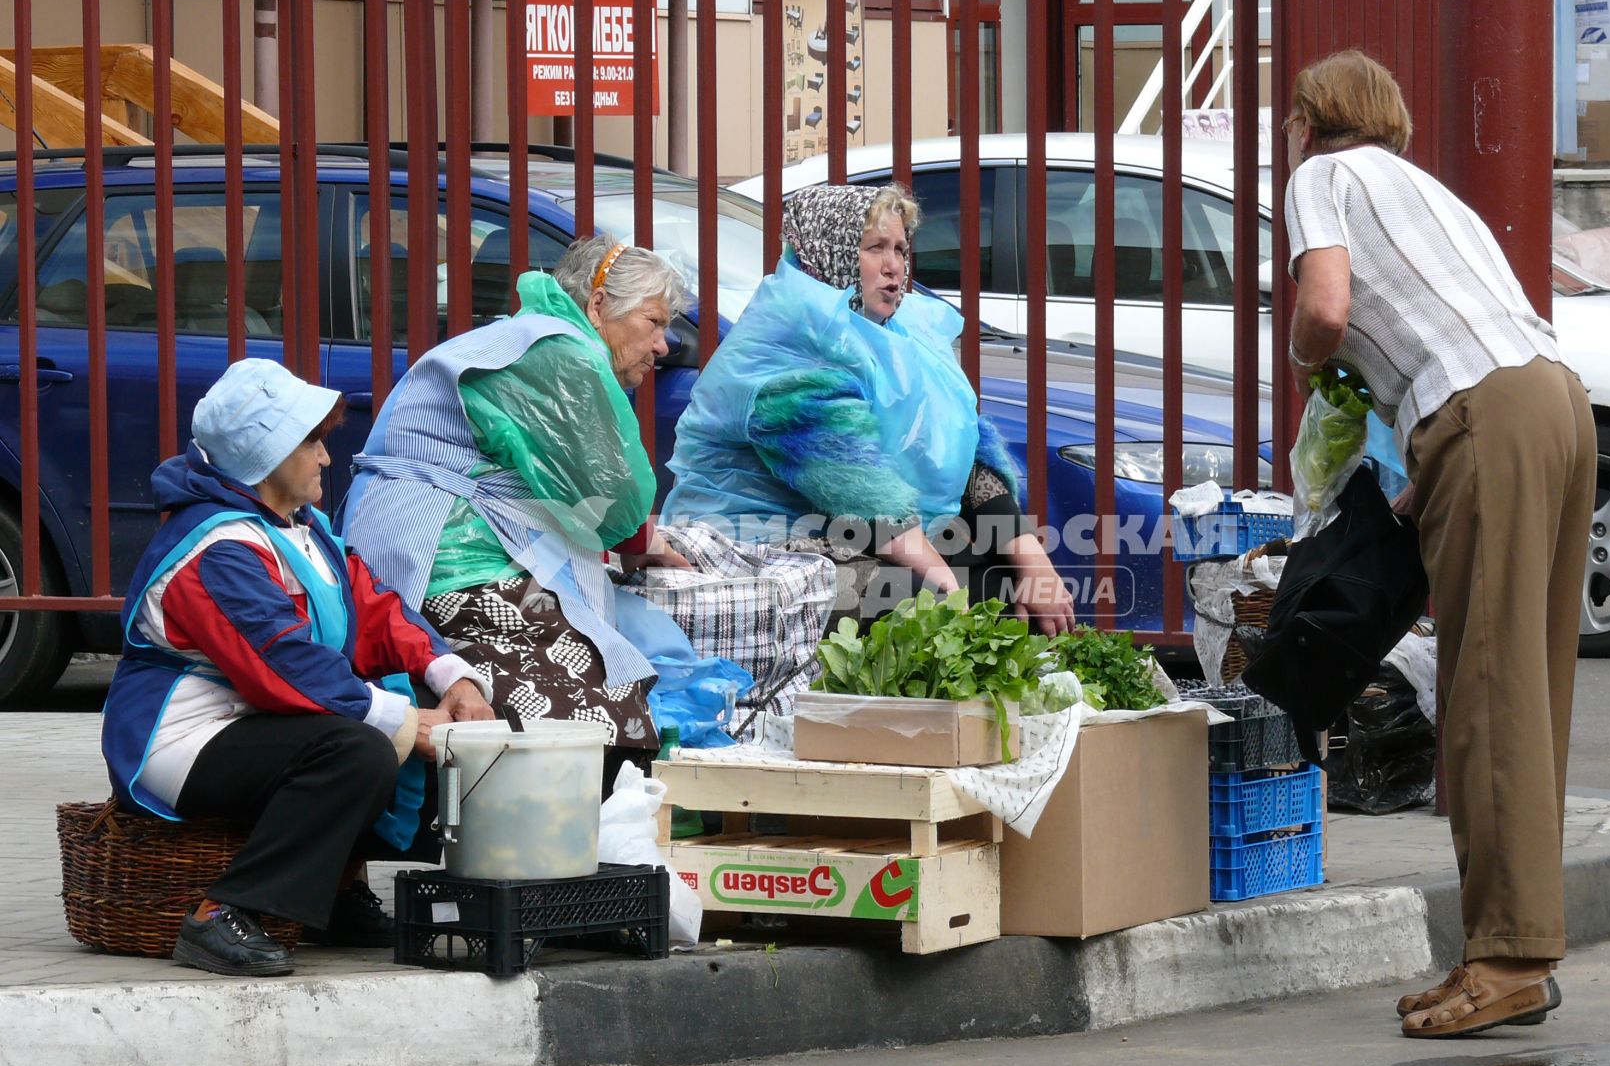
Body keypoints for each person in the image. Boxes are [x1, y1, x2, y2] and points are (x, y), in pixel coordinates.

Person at [1283, 50, 1596, 1039]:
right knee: (1528, 685)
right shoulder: (1430, 192)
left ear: (1311, 118)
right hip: (1554, 403)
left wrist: (1304, 358)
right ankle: (1511, 947)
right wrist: (1418, 494)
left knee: (1484, 685)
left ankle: (1506, 959)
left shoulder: (1320, 177)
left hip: (1484, 418)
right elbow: (1468, 336)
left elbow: (1327, 307)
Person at [341, 238, 824, 766]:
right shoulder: (558, 354)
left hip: (418, 542)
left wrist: (643, 541)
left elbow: (578, 490)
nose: (663, 345)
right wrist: (645, 542)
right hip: (443, 562)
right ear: (597, 307)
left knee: (605, 669)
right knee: (596, 699)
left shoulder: (536, 341)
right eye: (654, 322)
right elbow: (611, 500)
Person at [101, 358, 495, 978]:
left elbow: (374, 610)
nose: (326, 458)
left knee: (407, 714)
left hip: (257, 719)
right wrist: (407, 724)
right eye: (311, 442)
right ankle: (222, 914)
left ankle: (335, 894)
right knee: (357, 750)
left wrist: (453, 678)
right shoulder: (217, 549)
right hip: (183, 738)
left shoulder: (298, 528)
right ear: (265, 454)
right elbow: (280, 663)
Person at [662, 183, 1074, 634]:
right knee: (939, 596)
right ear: (831, 255)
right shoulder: (781, 353)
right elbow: (869, 501)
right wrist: (960, 611)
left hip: (860, 532)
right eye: (875, 248)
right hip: (759, 551)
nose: (894, 266)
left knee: (1008, 573)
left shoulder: (897, 334)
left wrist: (1033, 560)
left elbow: (963, 448)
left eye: (900, 248)